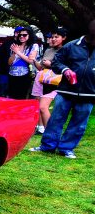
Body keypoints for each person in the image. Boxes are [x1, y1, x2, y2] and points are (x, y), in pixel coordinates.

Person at [30, 19, 95, 159]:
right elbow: (57, 61)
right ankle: (47, 146)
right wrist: (65, 70)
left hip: (89, 93)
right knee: (56, 119)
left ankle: (66, 148)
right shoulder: (72, 45)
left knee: (79, 124)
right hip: (66, 90)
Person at [31, 27, 67, 134]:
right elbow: (41, 68)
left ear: (64, 38)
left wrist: (50, 64)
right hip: (41, 79)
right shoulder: (48, 50)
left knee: (43, 107)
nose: (53, 39)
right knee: (39, 106)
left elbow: (66, 67)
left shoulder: (65, 50)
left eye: (57, 37)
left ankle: (50, 134)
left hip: (54, 82)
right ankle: (41, 128)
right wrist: (33, 60)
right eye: (52, 37)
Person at [6, 27, 39, 99]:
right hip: (11, 74)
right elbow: (9, 63)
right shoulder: (15, 46)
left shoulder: (34, 46)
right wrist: (14, 53)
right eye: (20, 35)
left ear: (29, 35)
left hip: (24, 75)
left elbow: (31, 60)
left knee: (21, 97)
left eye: (24, 35)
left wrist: (18, 52)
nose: (21, 36)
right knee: (11, 97)